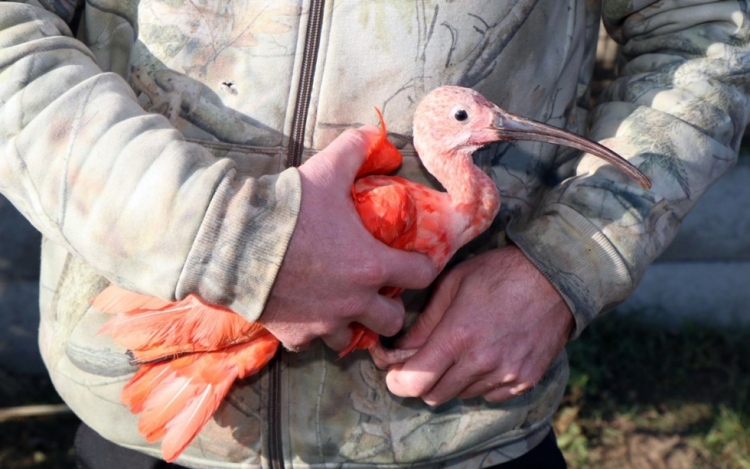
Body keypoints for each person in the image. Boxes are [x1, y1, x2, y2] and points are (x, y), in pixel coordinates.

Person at [1, 1, 747, 468]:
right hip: (148, 416)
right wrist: (229, 239)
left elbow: (707, 34)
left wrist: (564, 264)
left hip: (455, 430)